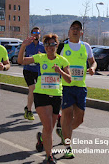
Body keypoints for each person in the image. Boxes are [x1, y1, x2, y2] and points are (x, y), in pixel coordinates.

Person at [18, 33, 71, 164]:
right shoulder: (40, 57)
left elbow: (69, 80)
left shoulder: (63, 60)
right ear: (45, 46)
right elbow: (21, 61)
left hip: (56, 96)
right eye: (47, 45)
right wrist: (23, 46)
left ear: (56, 45)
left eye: (52, 44)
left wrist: (60, 71)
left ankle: (42, 139)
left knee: (50, 128)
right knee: (48, 127)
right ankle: (49, 156)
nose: (49, 47)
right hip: (41, 95)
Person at [59, 20, 97, 159]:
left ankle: (63, 131)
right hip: (66, 86)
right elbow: (55, 60)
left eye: (78, 28)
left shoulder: (86, 46)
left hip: (80, 87)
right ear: (69, 31)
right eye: (73, 28)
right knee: (67, 115)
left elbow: (93, 61)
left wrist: (92, 68)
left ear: (81, 32)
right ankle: (68, 146)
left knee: (79, 119)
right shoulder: (63, 46)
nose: (75, 30)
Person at [21, 27, 45, 120]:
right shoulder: (27, 44)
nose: (36, 34)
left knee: (37, 91)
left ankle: (28, 107)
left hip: (38, 71)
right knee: (32, 89)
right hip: (28, 70)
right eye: (34, 33)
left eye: (38, 33)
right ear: (31, 34)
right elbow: (21, 55)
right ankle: (29, 111)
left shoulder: (43, 46)